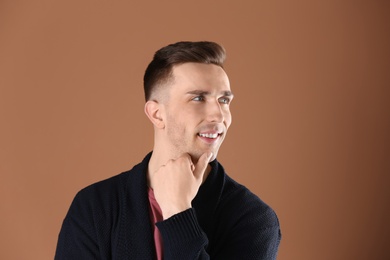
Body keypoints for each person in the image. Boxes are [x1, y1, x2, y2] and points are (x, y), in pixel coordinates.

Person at [55, 41, 281, 259]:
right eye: (198, 98)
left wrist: (179, 212)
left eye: (223, 100)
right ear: (156, 114)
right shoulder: (94, 207)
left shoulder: (254, 219)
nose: (219, 115)